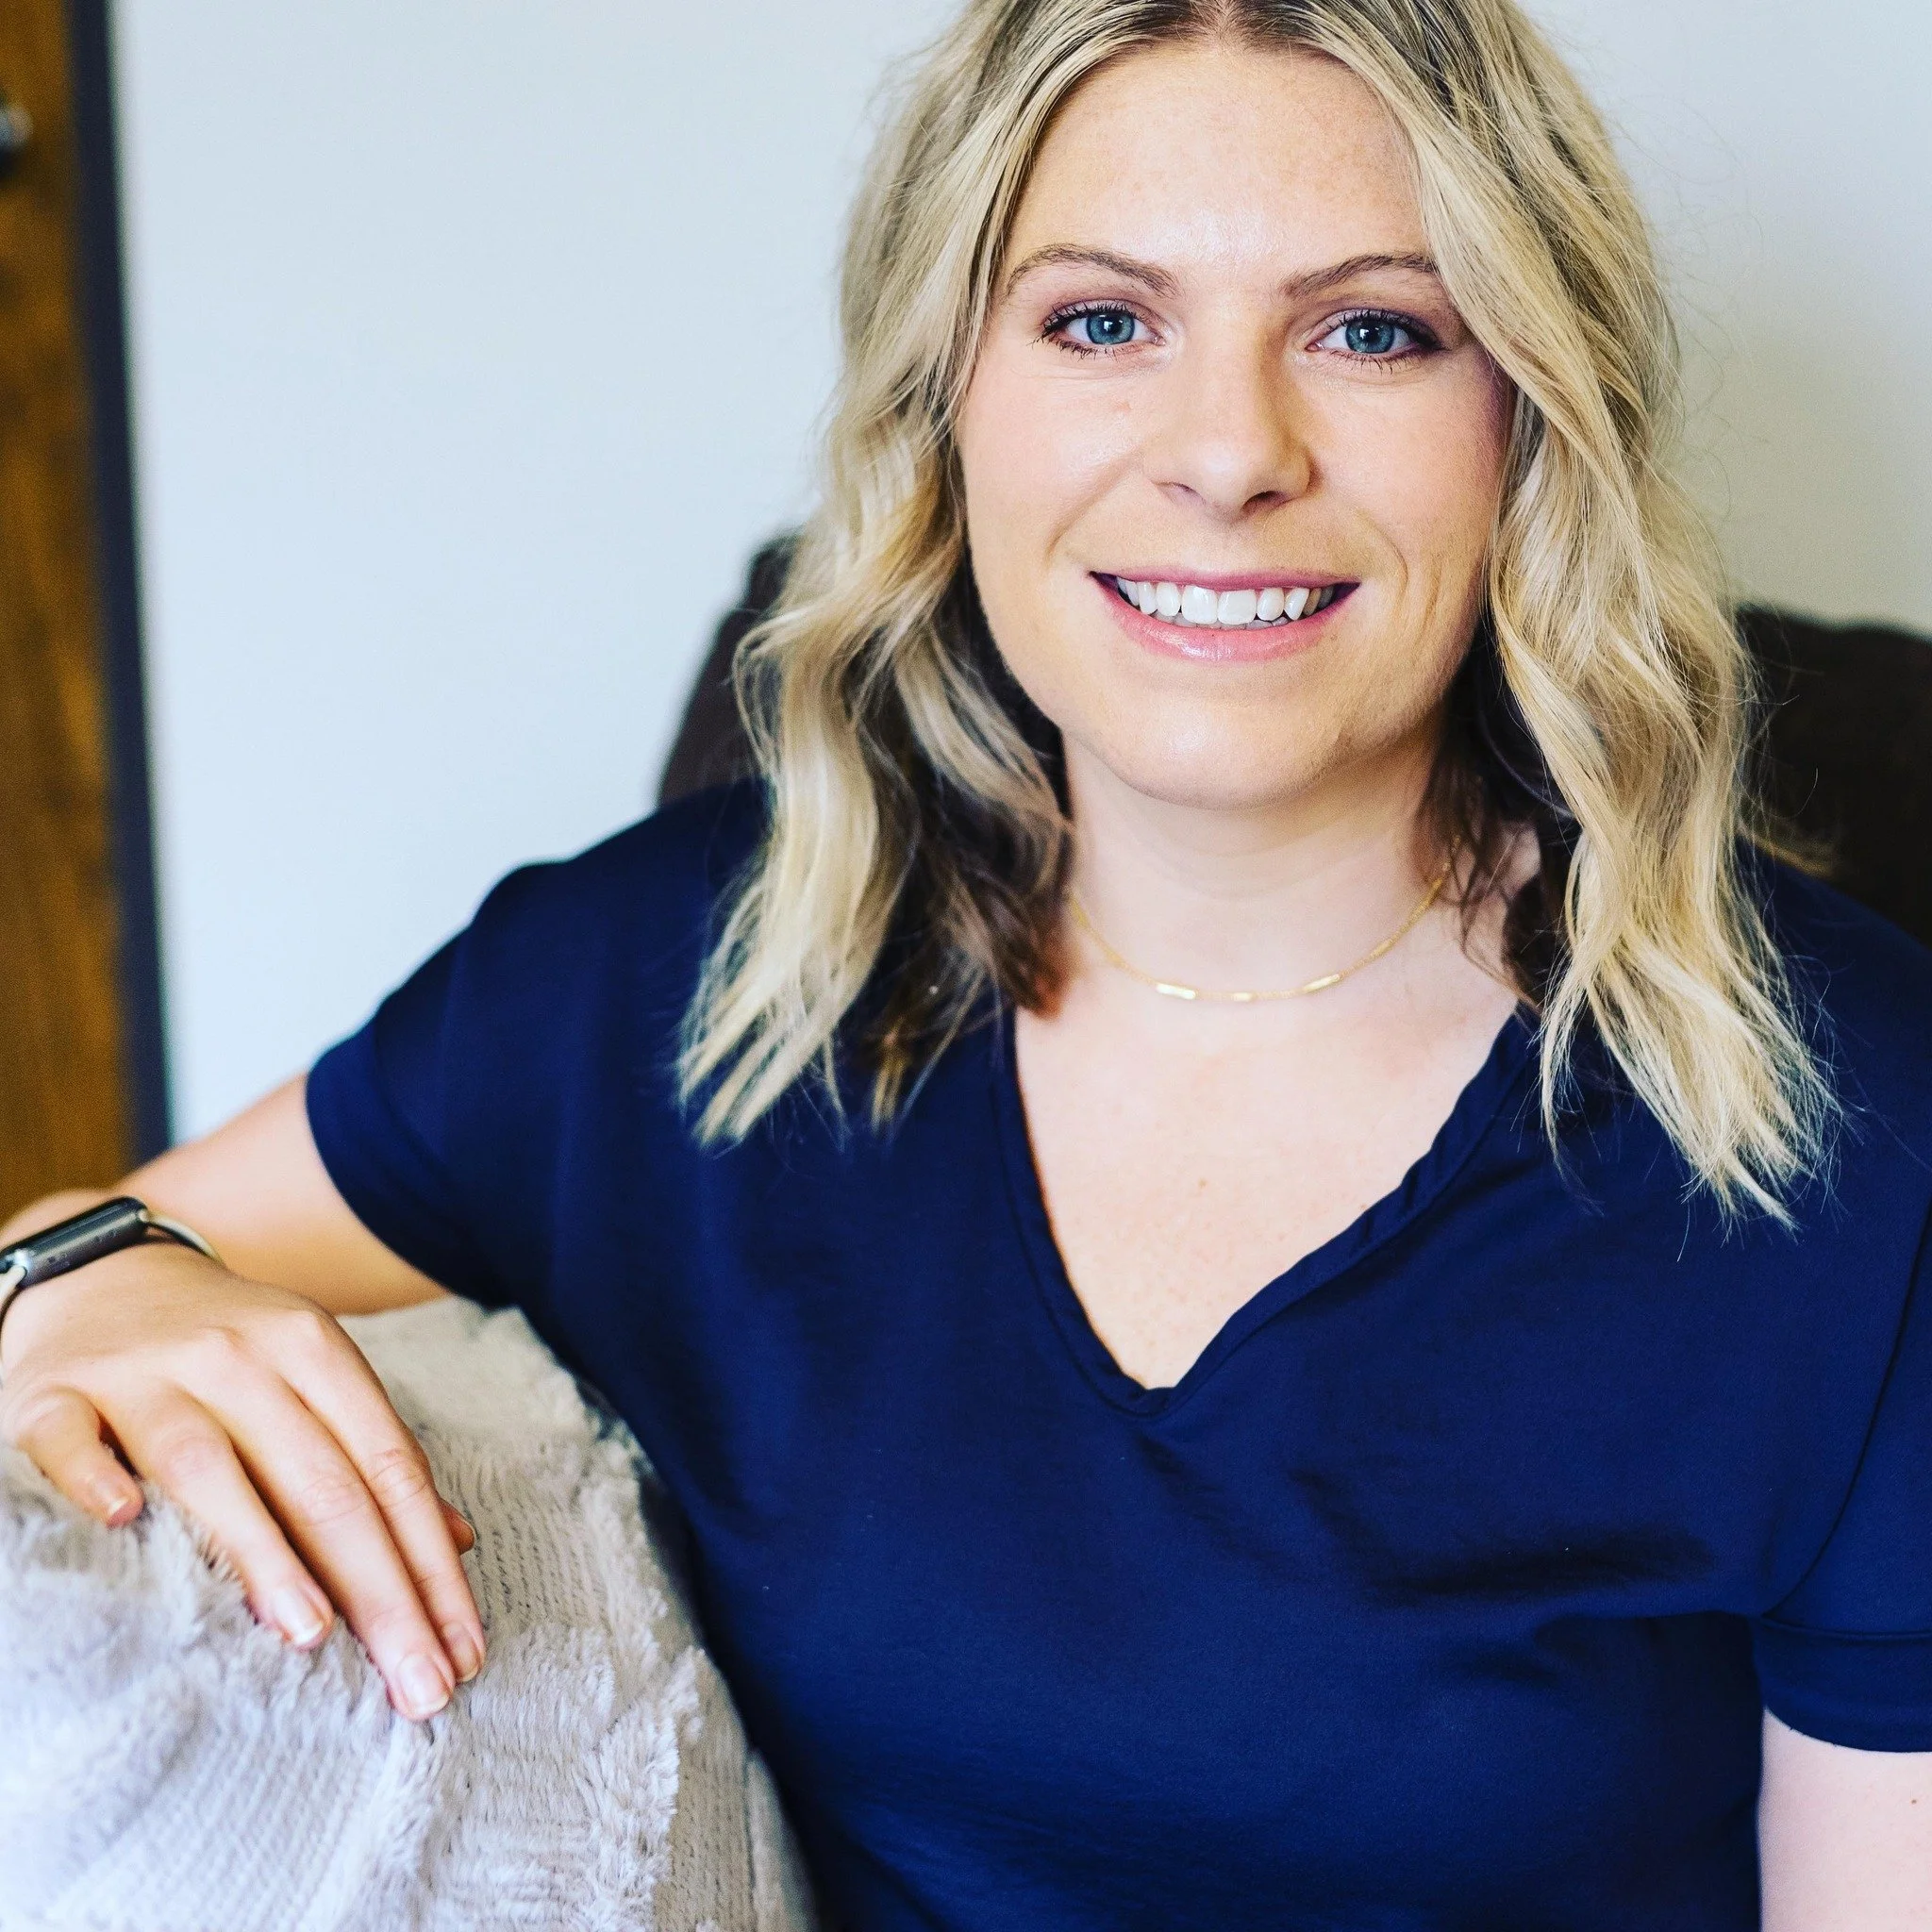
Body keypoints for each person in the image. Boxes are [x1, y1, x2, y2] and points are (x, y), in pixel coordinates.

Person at [4, 0, 1929, 1924]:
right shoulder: (687, 982)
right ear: (948, 397)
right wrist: (80, 1281)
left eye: (1372, 331)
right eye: (1101, 322)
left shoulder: (1852, 1134)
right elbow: (97, 1257)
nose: (1227, 452)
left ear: (1531, 419)